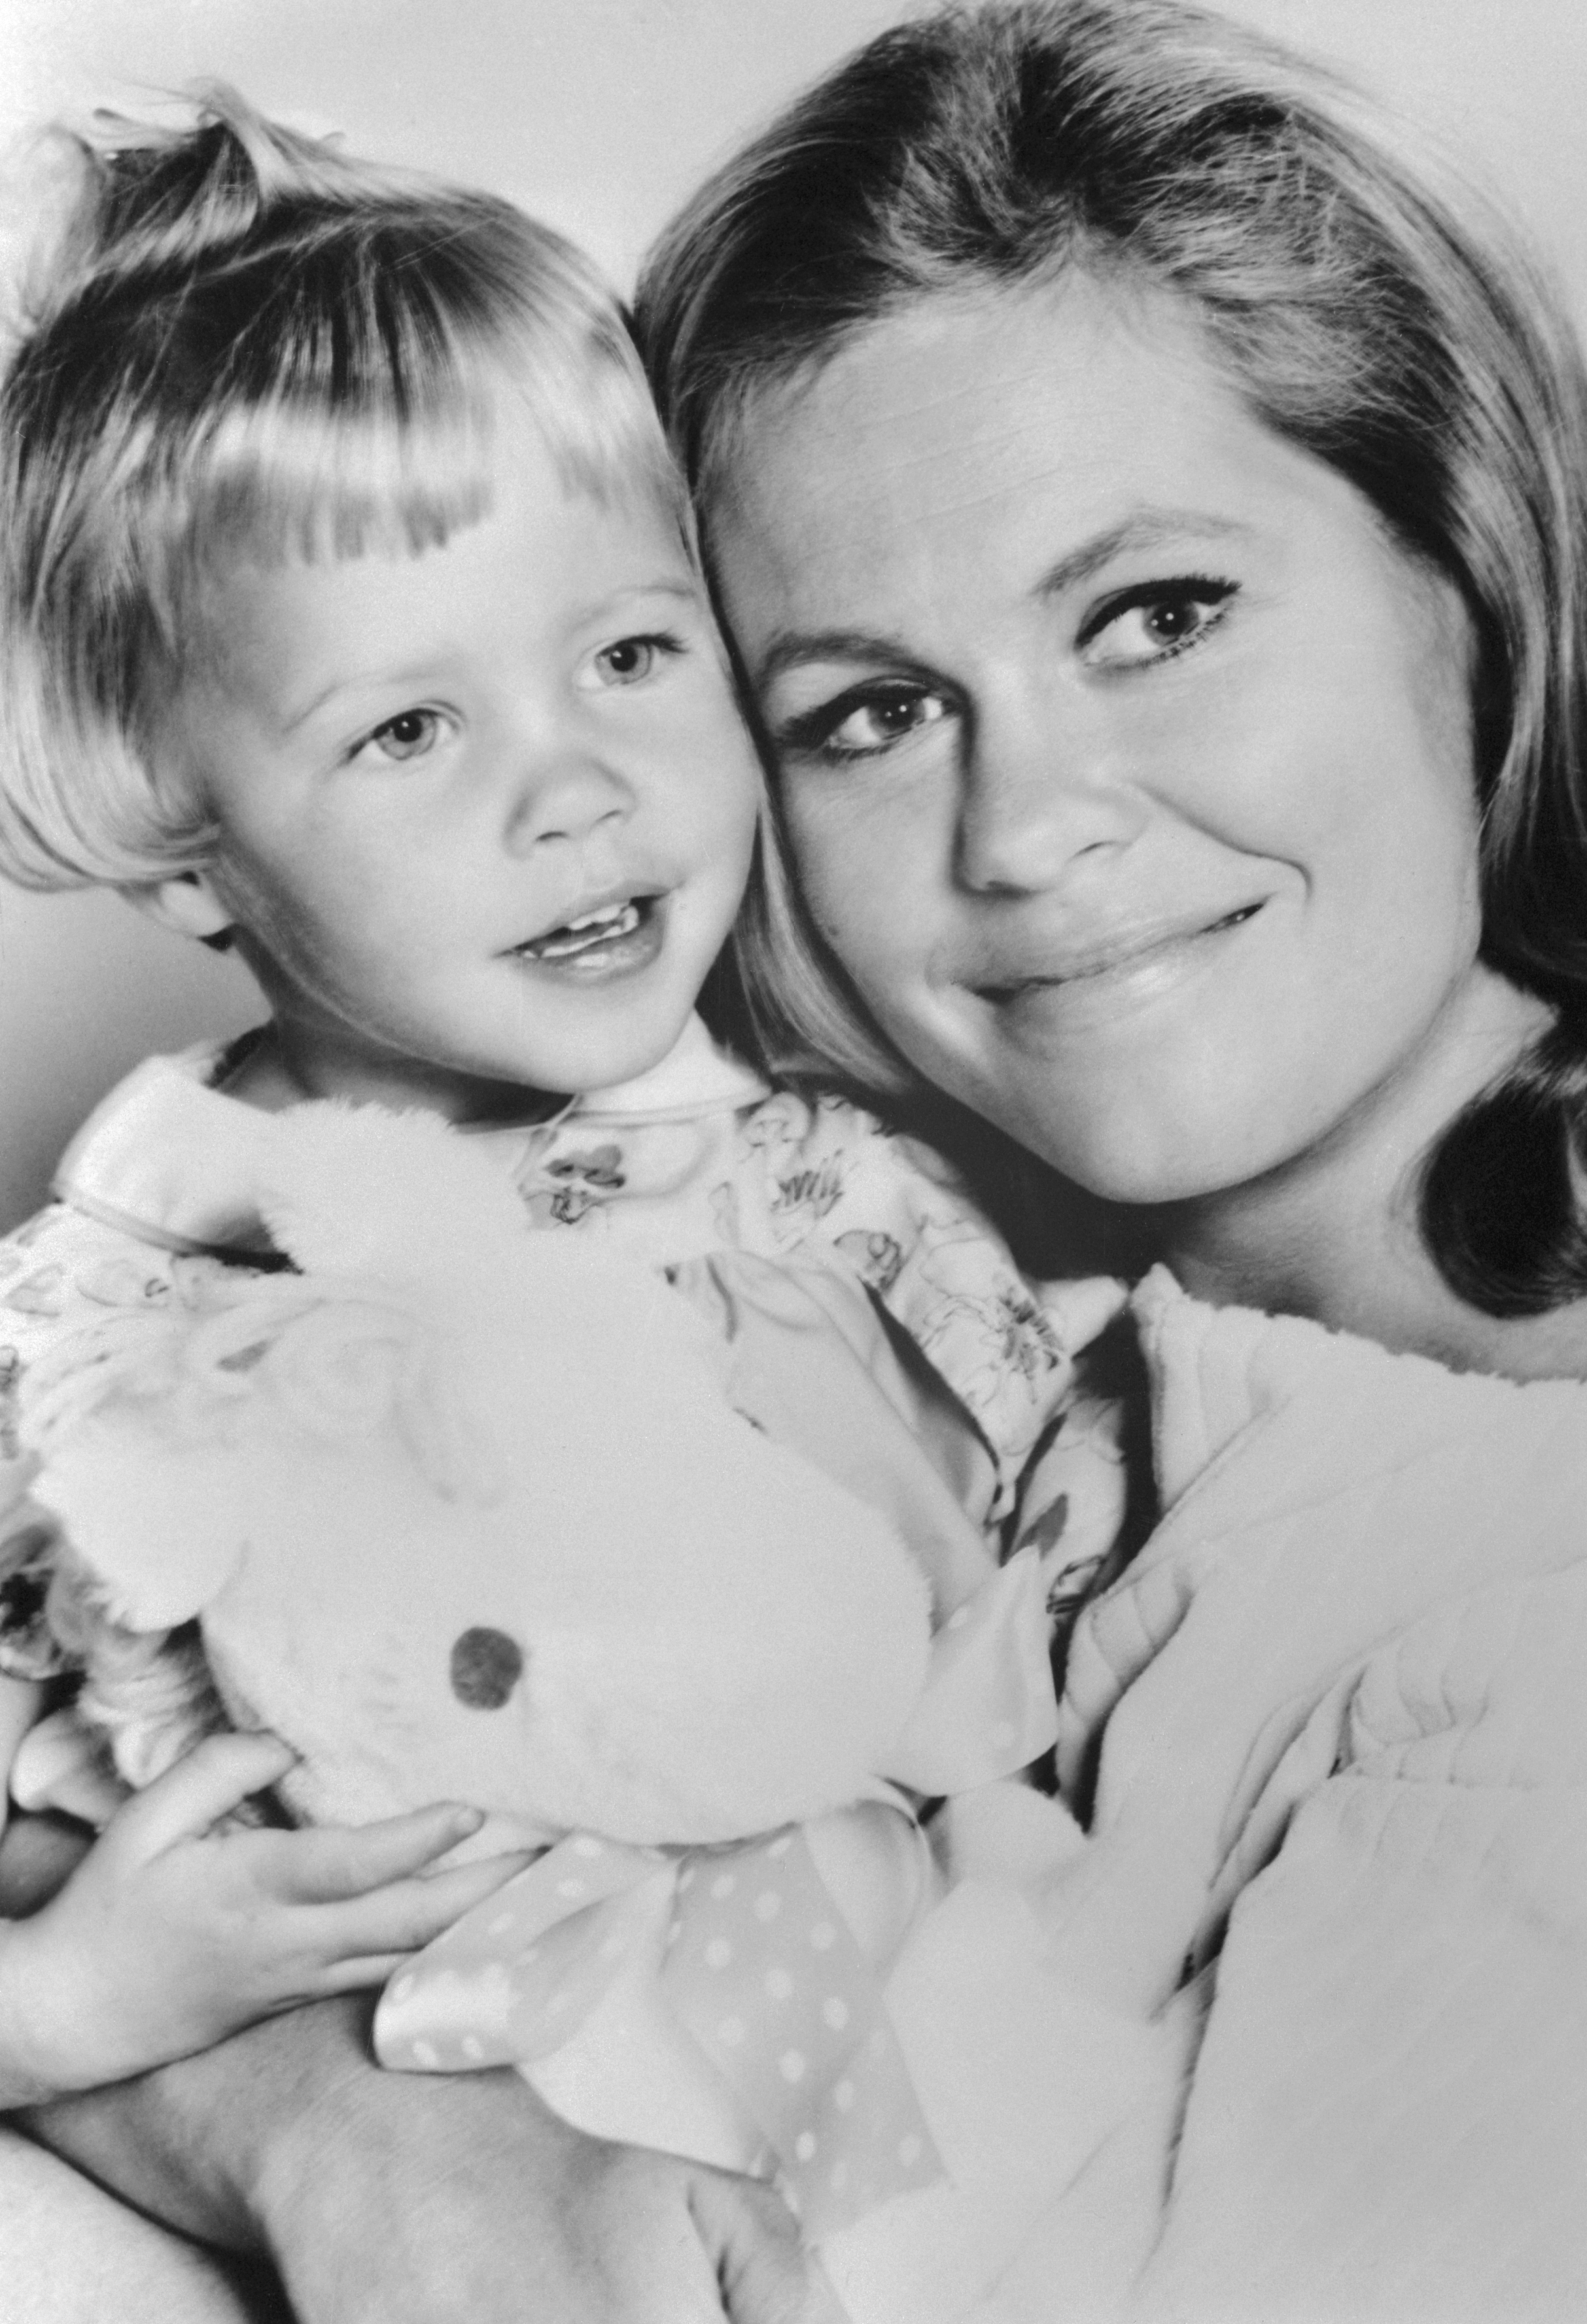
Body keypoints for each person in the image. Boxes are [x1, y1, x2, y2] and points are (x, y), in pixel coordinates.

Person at [16, 3, 1587, 2318]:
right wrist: (336, 2130)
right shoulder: (945, 1323)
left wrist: (392, 2166)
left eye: (1155, 615)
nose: (1026, 828)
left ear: (1475, 573)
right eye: (867, 709)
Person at [0, 84, 1125, 2324]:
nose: (578, 787)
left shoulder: (845, 1189)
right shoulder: (130, 1295)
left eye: (628, 654)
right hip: (421, 2085)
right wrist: (63, 2000)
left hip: (835, 2029)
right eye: (408, 733)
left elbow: (1038, 1618)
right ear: (184, 836)